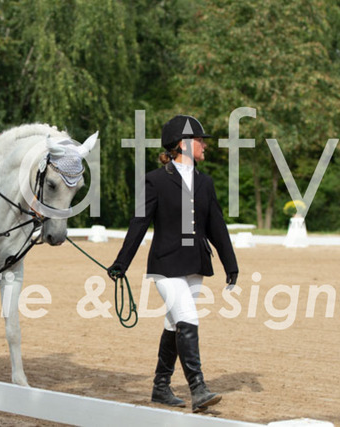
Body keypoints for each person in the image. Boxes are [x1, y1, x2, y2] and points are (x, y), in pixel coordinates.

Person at [107, 115, 238, 413]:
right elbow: (139, 223)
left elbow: (217, 226)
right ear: (182, 144)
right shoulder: (155, 180)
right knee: (188, 318)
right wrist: (122, 262)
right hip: (165, 264)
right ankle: (198, 388)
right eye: (199, 140)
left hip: (195, 263)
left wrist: (231, 263)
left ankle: (161, 386)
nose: (204, 145)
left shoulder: (205, 182)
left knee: (174, 323)